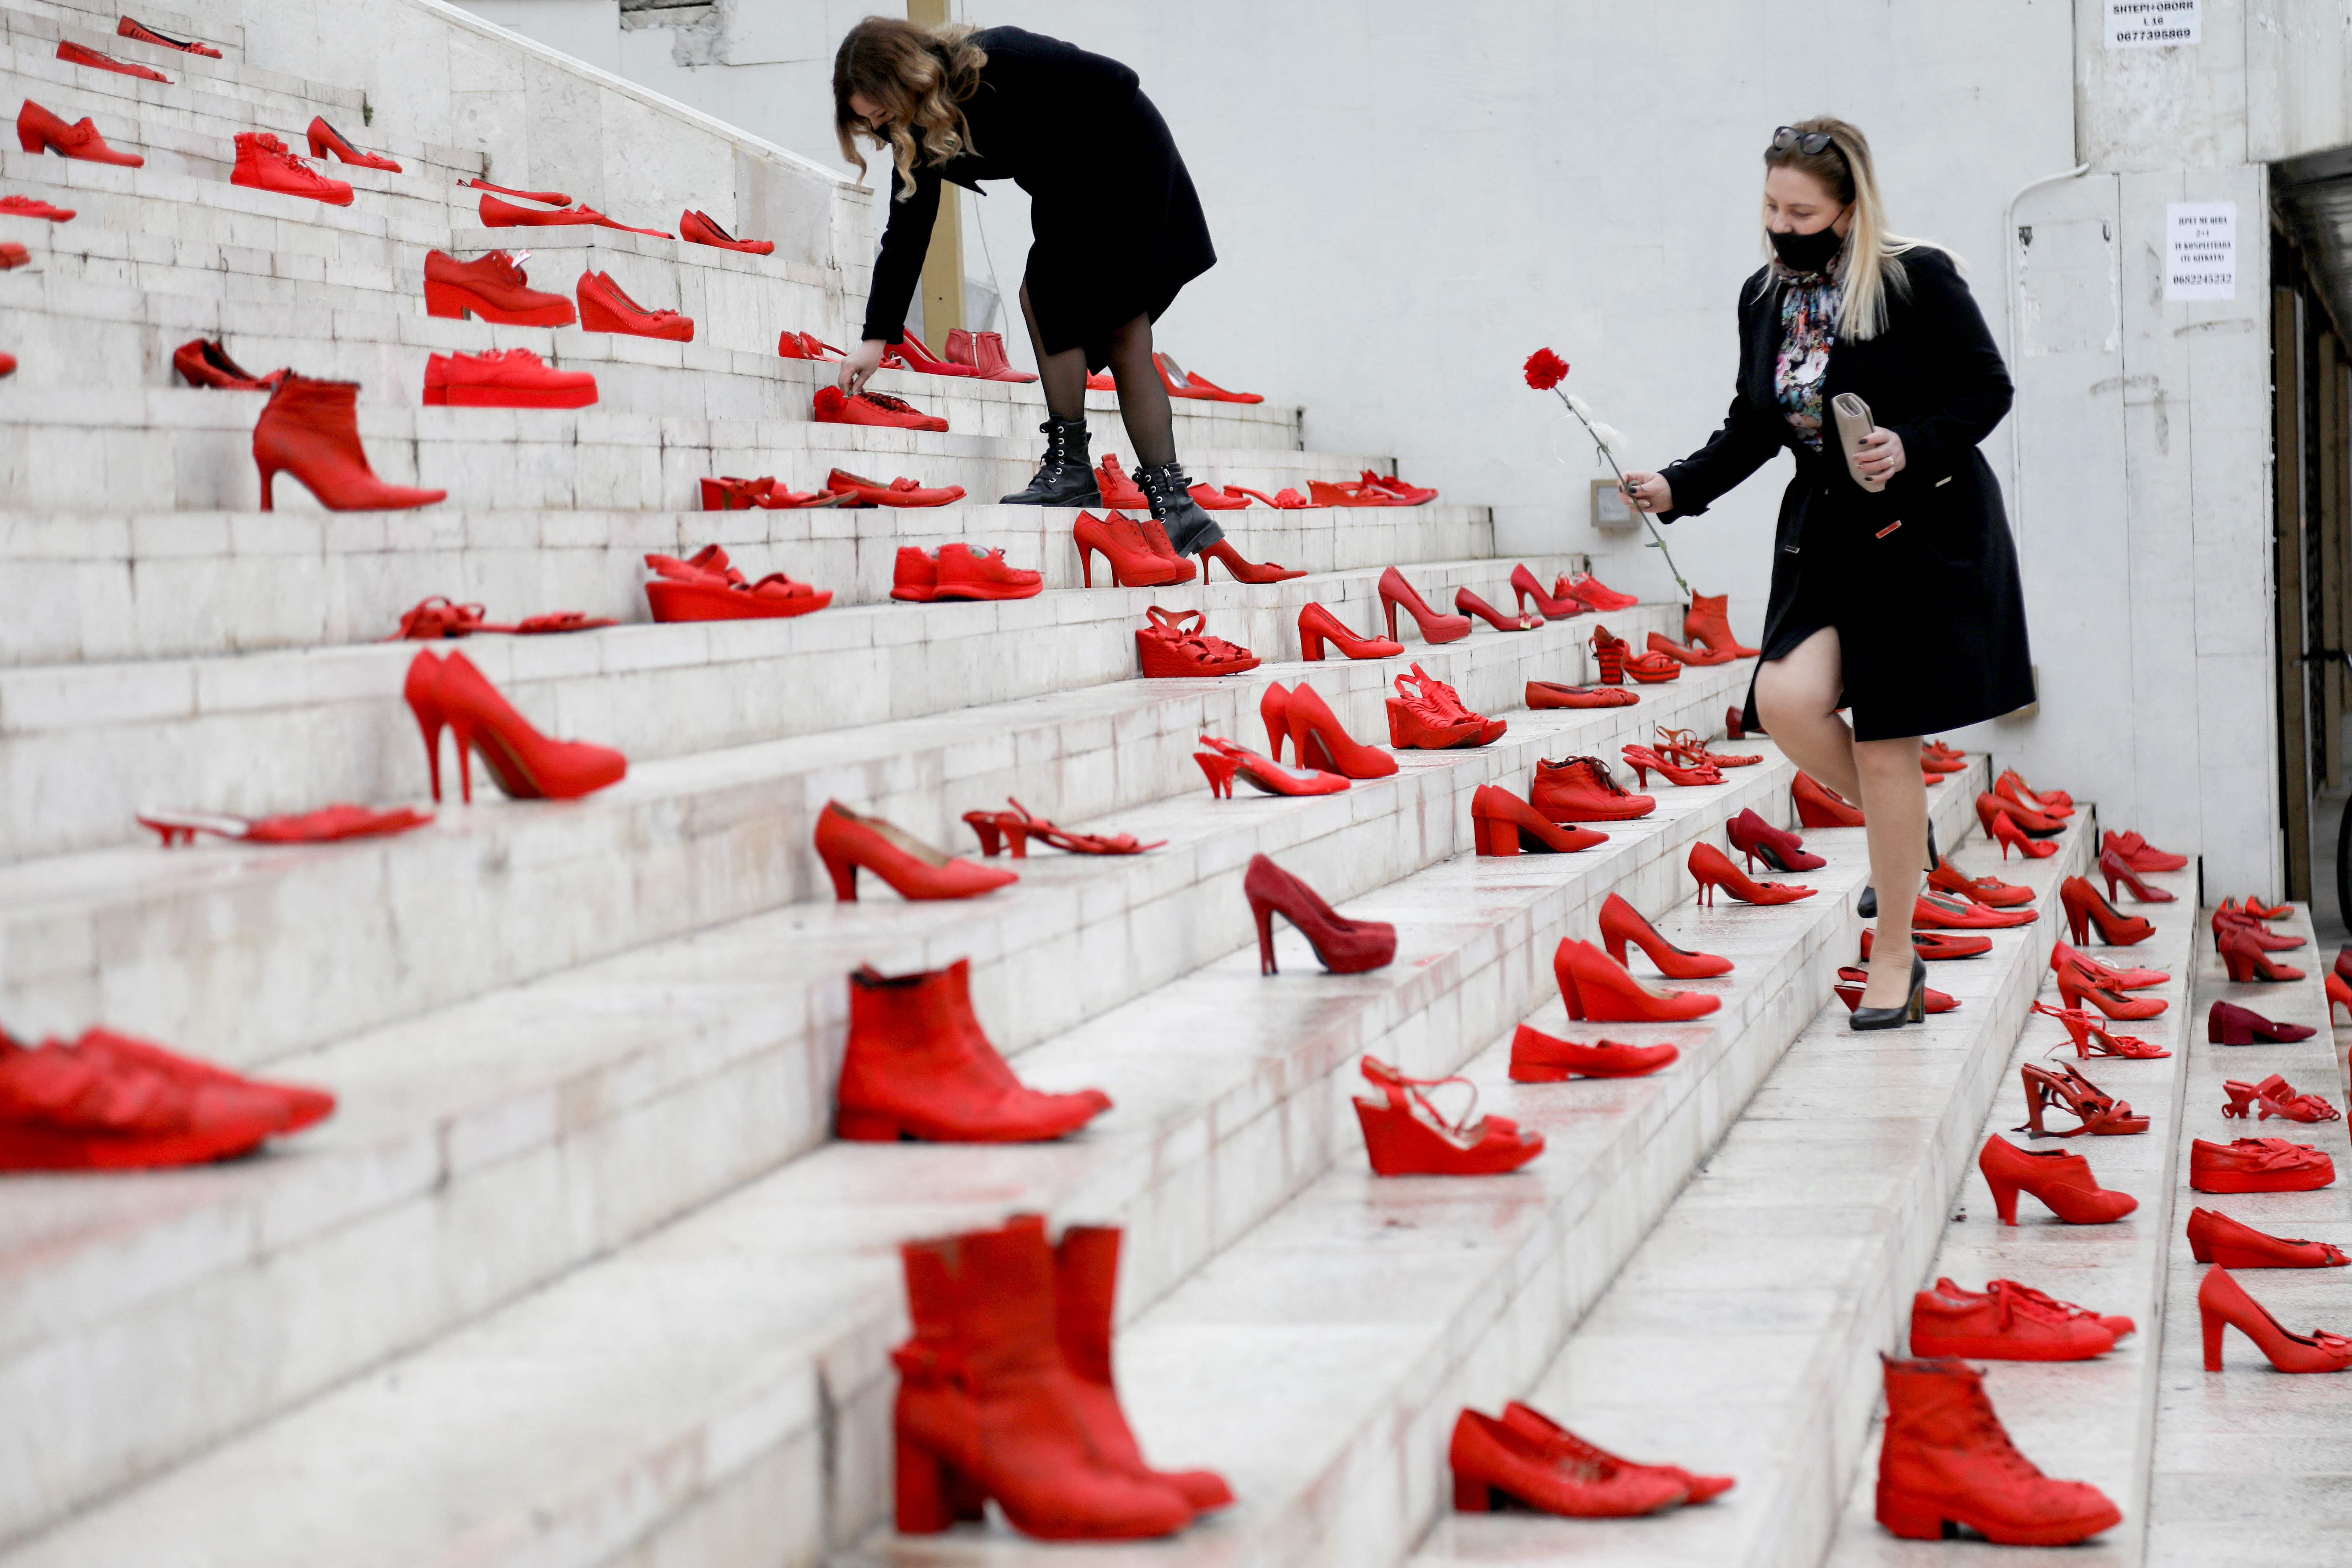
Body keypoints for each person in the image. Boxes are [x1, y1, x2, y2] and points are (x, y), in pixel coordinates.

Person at [1615, 116, 2033, 1031]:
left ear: (1847, 209)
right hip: (1824, 532)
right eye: (1770, 204)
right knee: (1784, 702)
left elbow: (1986, 388)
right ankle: (1901, 831)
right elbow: (1756, 422)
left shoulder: (1914, 276)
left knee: (1887, 741)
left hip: (1918, 529)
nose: (1779, 222)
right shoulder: (1763, 296)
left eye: (1800, 210)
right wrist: (1676, 486)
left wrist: (1908, 445)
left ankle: (1896, 959)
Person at [832, 18, 1226, 558]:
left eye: (880, 109)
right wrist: (876, 337)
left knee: (1097, 316)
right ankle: (1160, 499)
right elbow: (906, 232)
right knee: (1075, 310)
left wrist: (1064, 181)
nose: (878, 126)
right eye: (866, 120)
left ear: (907, 77)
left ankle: (1114, 481)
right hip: (1076, 187)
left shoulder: (997, 60)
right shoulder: (918, 132)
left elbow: (1117, 81)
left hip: (1125, 161)